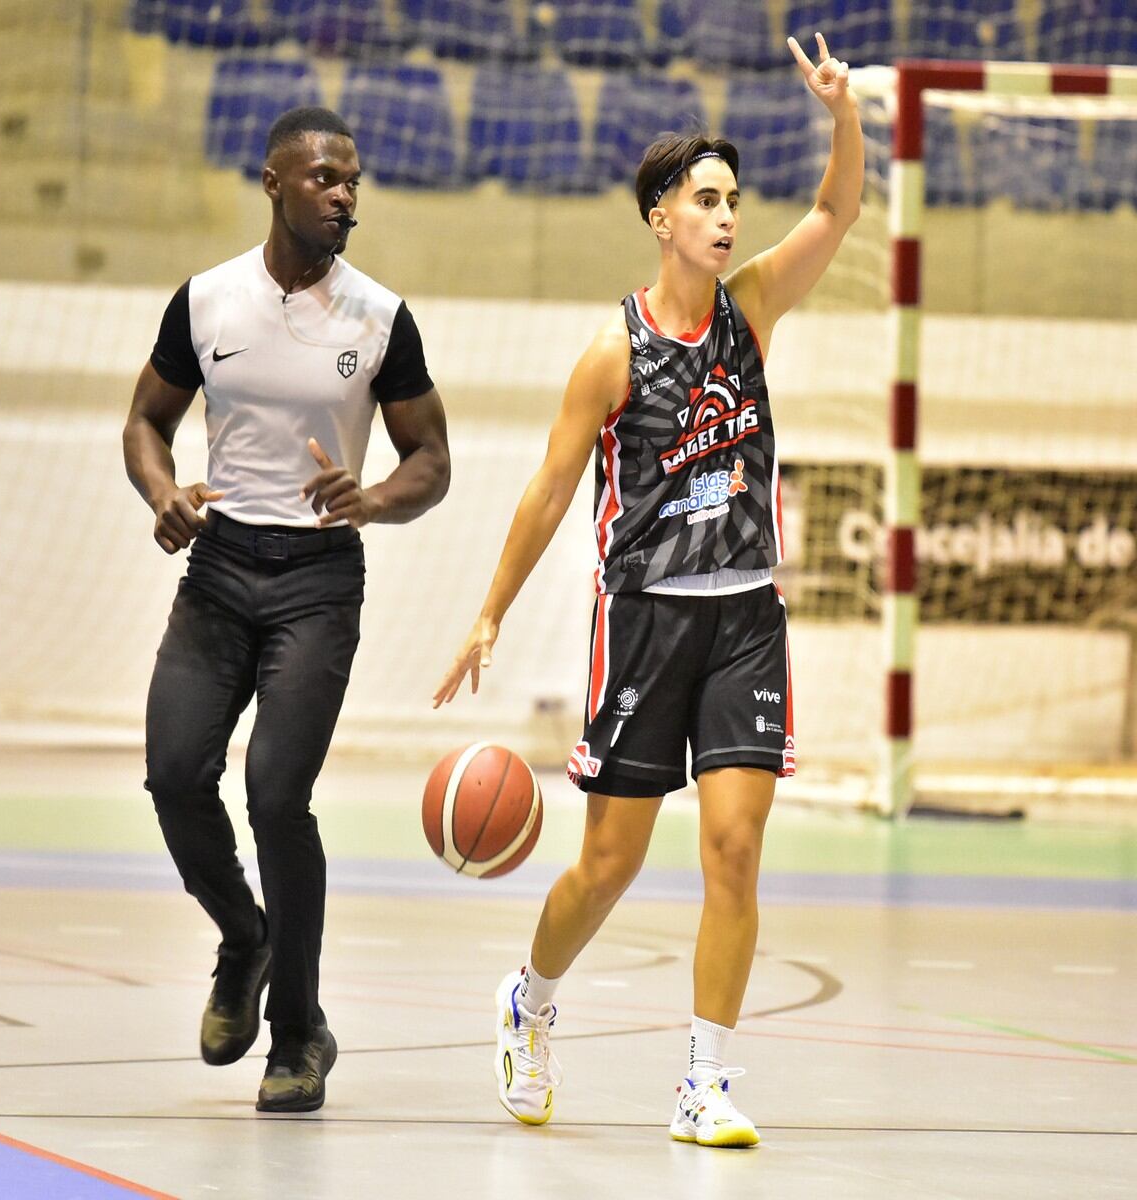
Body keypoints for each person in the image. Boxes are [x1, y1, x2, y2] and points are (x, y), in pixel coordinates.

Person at [432, 34, 861, 1147]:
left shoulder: (753, 306)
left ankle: (703, 1081)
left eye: (732, 199)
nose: (727, 217)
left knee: (733, 846)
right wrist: (488, 611)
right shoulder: (609, 354)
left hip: (745, 618)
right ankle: (529, 1000)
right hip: (644, 619)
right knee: (610, 862)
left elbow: (836, 212)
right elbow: (544, 495)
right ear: (661, 217)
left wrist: (842, 117)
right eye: (705, 200)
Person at [123, 106, 450, 1112]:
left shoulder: (381, 319)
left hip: (317, 579)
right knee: (175, 774)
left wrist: (377, 499)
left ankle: (299, 1031)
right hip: (219, 567)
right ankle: (245, 937)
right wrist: (164, 492)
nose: (344, 194)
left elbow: (431, 461)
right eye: (323, 178)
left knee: (275, 797)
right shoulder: (208, 300)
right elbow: (145, 419)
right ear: (274, 182)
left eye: (352, 179)